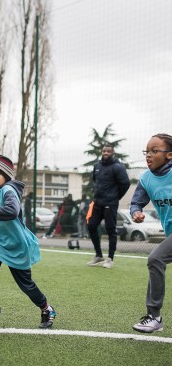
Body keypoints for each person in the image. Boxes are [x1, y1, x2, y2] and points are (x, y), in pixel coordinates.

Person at [0, 155, 56, 329]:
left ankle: (47, 309)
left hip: (16, 244)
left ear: (6, 177)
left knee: (26, 286)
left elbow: (11, 211)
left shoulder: (9, 190)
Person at [130, 133, 172, 333]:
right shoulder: (146, 178)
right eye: (147, 151)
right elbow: (137, 201)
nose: (149, 155)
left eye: (155, 151)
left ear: (169, 155)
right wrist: (136, 212)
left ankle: (154, 316)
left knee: (156, 258)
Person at [87, 144, 130, 268]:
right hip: (97, 202)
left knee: (110, 229)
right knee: (91, 226)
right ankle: (99, 256)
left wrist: (116, 197)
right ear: (102, 152)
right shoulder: (97, 166)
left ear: (113, 152)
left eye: (108, 151)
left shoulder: (118, 167)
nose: (106, 153)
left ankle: (110, 259)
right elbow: (96, 181)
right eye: (104, 151)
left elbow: (125, 184)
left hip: (110, 203)